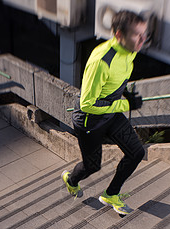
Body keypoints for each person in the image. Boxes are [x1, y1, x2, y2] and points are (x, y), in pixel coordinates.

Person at [61, 10, 147, 215]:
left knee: (137, 153)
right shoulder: (101, 60)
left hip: (110, 113)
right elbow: (87, 103)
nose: (143, 39)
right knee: (92, 166)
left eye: (145, 34)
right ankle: (71, 180)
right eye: (137, 34)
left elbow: (117, 79)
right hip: (90, 120)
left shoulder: (131, 50)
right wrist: (125, 105)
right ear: (119, 35)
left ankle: (111, 194)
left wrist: (125, 93)